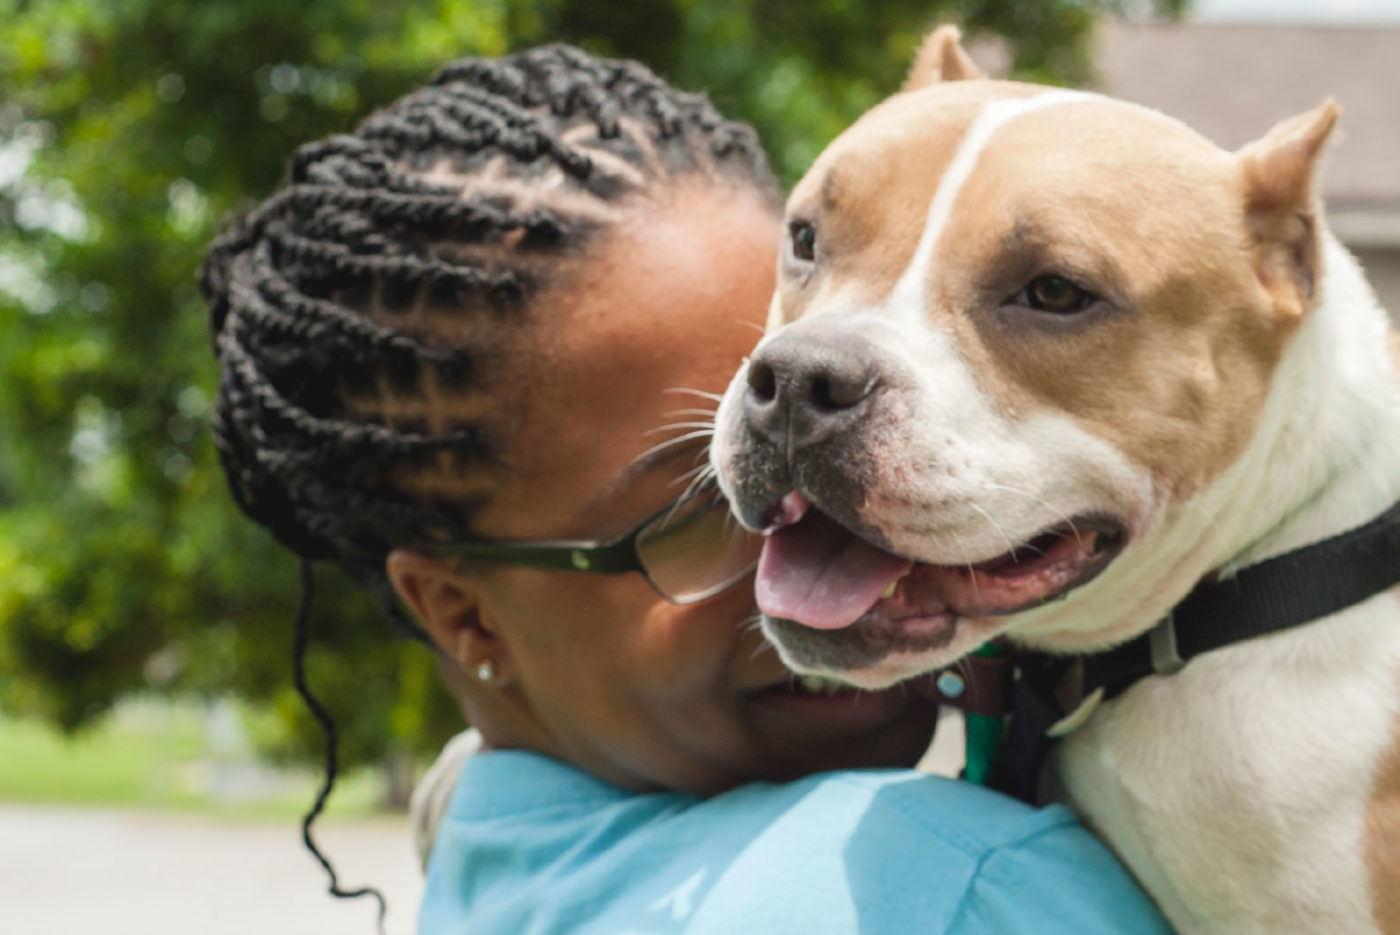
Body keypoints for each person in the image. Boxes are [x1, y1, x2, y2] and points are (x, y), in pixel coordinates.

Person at [201, 44, 1171, 933]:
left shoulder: (485, 858)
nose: (843, 537)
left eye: (837, 400)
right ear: (464, 613)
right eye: (708, 498)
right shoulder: (936, 882)